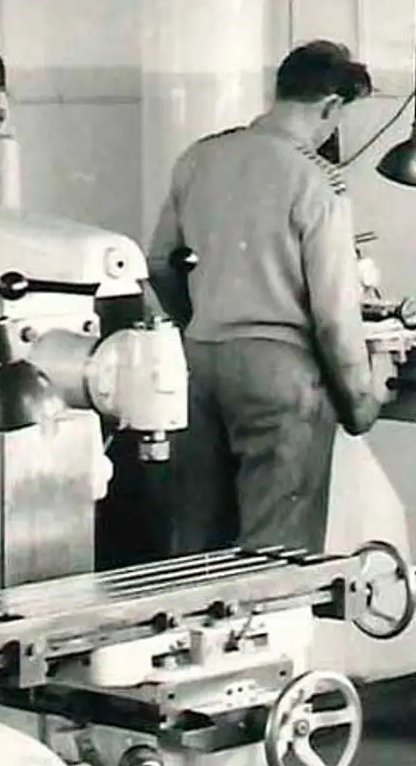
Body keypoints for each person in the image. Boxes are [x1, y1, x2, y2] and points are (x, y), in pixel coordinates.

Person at [147, 41, 393, 555]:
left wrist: (203, 322)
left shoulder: (200, 157)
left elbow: (159, 265)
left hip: (197, 364)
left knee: (194, 548)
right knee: (274, 553)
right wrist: (361, 404)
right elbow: (333, 320)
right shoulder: (317, 181)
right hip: (278, 377)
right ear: (330, 107)